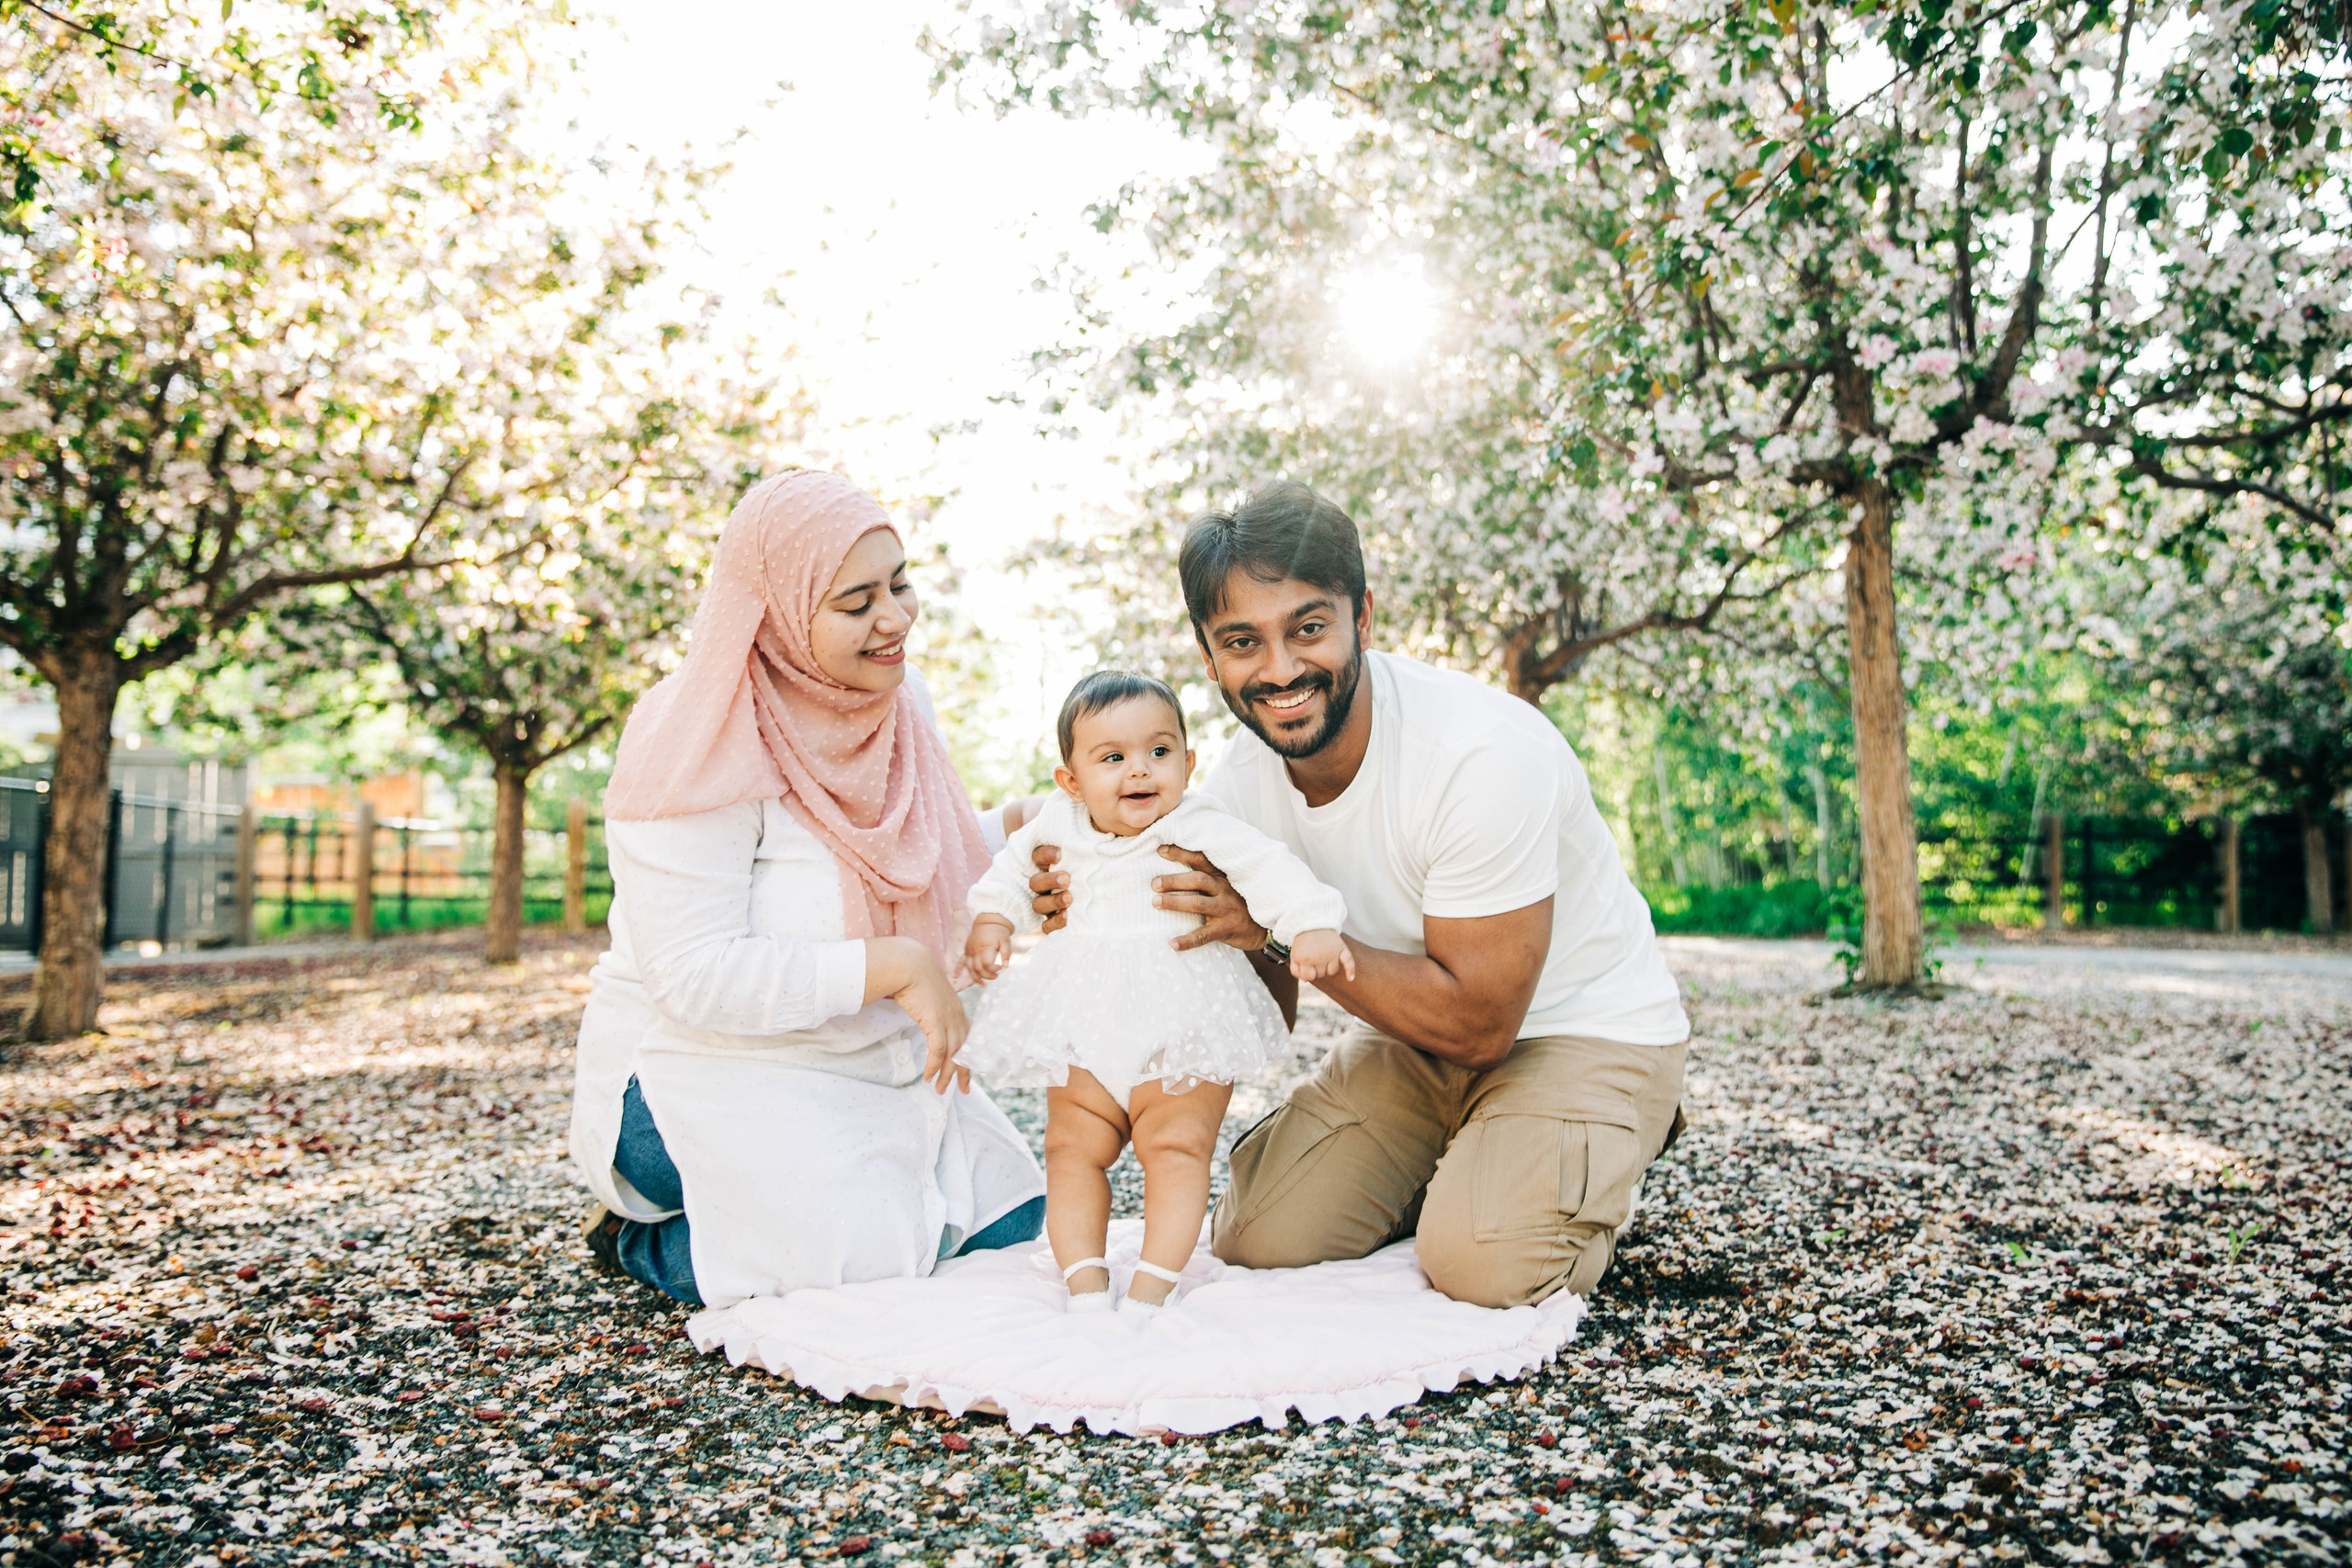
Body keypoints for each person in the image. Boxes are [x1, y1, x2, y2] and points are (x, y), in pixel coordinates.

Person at [1029, 483, 1690, 1309]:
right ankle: (1478, 1159)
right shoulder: (1233, 786)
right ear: (1209, 657)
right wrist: (1091, 908)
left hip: (1577, 1029)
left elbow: (1483, 1024)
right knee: (1258, 1237)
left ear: (1362, 617)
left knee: (1481, 1266)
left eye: (1307, 628)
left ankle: (1614, 1129)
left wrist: (1266, 931)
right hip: (1412, 1038)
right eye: (1242, 641)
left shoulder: (1480, 754)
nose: (1278, 670)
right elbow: (1252, 998)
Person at [569, 469, 1046, 1310]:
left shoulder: (895, 699)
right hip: (699, 1070)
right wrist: (893, 963)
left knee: (1012, 1214)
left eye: (899, 584)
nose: (893, 619)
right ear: (778, 608)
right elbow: (694, 974)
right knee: (864, 1252)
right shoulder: (695, 730)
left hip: (860, 1058)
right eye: (856, 602)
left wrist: (1037, 828)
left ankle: (805, 1205)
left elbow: (907, 846)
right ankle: (648, 1239)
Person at [955, 671, 1351, 1315]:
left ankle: (1151, 1287)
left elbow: (1266, 865)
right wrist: (993, 921)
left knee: (1177, 1147)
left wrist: (1309, 924)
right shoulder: (1059, 822)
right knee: (1071, 1147)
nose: (1139, 770)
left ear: (1188, 763)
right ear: (1072, 781)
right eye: (1113, 758)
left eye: (1159, 752)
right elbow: (1012, 869)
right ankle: (1084, 1278)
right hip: (1083, 1015)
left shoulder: (1199, 821)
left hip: (1182, 1014)